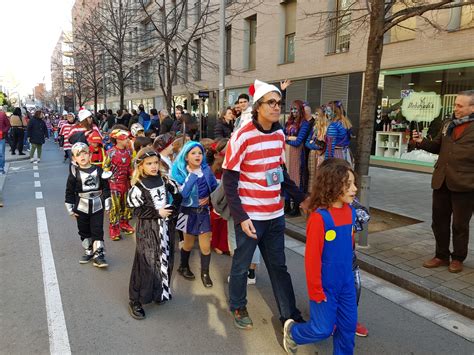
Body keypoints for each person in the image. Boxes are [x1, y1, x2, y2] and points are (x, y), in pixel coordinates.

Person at [223, 79, 305, 330]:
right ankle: (238, 305)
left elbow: (280, 173)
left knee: (279, 266)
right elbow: (229, 180)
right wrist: (242, 217)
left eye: (279, 103)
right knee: (241, 264)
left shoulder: (280, 134)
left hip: (275, 214)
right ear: (258, 106)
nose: (276, 107)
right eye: (271, 102)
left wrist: (303, 199)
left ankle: (289, 314)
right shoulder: (242, 136)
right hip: (250, 216)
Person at [412, 90, 474, 273]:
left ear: (472, 107)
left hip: (465, 184)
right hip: (442, 181)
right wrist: (421, 141)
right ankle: (441, 255)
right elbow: (437, 146)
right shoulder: (449, 124)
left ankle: (458, 258)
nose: (456, 108)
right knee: (438, 221)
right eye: (455, 104)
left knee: (460, 225)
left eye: (460, 106)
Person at [126, 147, 182, 319]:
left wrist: (171, 212)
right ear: (141, 166)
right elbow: (136, 210)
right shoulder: (138, 187)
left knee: (165, 258)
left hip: (166, 228)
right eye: (149, 164)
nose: (153, 167)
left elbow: (178, 196)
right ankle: (135, 300)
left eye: (156, 163)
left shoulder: (165, 180)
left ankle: (159, 292)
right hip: (147, 230)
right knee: (146, 262)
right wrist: (157, 213)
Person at [171, 141, 218, 287]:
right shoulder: (179, 173)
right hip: (186, 212)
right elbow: (183, 194)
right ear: (186, 156)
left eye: (200, 153)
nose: (198, 155)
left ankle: (205, 273)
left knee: (205, 246)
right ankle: (183, 266)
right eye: (193, 153)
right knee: (188, 244)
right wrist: (192, 175)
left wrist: (210, 198)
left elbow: (215, 189)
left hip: (203, 213)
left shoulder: (207, 170)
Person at [65, 142, 111, 268]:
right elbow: (69, 191)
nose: (82, 157)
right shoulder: (74, 173)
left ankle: (99, 255)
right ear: (74, 158)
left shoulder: (98, 170)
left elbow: (106, 187)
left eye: (85, 153)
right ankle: (89, 250)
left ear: (90, 154)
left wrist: (107, 202)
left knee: (97, 230)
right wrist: (70, 208)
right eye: (78, 155)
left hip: (97, 204)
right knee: (84, 230)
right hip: (81, 206)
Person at [103, 128, 134, 240]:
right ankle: (114, 228)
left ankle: (124, 223)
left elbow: (130, 167)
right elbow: (105, 168)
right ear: (118, 140)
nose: (128, 141)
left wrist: (132, 178)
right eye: (126, 138)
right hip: (114, 185)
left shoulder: (129, 152)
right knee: (115, 208)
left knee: (126, 206)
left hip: (126, 183)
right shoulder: (110, 153)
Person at [284, 100, 311, 216]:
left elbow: (298, 141)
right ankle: (286, 205)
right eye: (292, 109)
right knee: (286, 177)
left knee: (296, 179)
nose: (294, 111)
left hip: (297, 154)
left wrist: (286, 138)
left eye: (296, 109)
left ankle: (296, 206)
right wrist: (290, 138)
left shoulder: (304, 123)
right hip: (286, 153)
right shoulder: (289, 122)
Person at [306, 107, 328, 193]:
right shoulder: (314, 127)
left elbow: (322, 145)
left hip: (321, 154)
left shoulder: (326, 128)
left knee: (319, 174)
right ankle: (312, 193)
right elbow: (307, 142)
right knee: (312, 174)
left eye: (317, 114)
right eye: (315, 114)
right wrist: (312, 145)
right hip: (312, 153)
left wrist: (314, 145)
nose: (315, 116)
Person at [325, 101, 354, 167]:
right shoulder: (346, 123)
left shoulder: (333, 125)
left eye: (328, 111)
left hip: (336, 156)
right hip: (346, 154)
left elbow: (330, 146)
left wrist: (327, 162)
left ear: (334, 112)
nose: (326, 113)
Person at [0, 108, 11, 174]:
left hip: (1, 137)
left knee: (1, 153)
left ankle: (1, 168)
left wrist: (3, 131)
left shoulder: (2, 115)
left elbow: (8, 125)